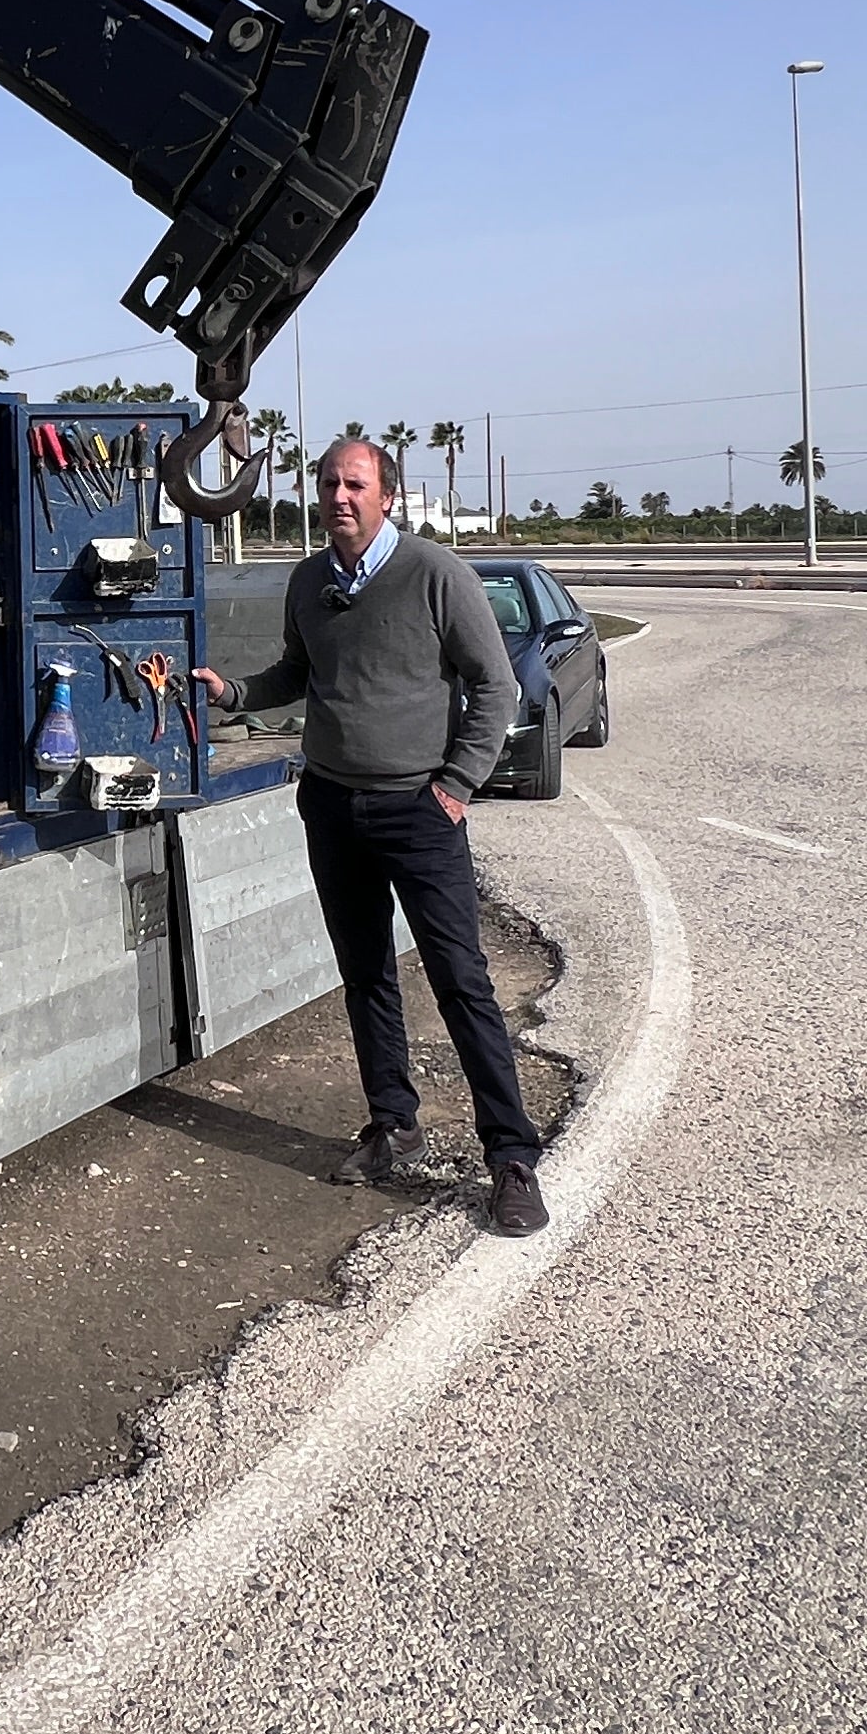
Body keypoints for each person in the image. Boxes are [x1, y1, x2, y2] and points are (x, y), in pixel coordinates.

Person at [196, 436, 549, 1234]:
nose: (339, 497)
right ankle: (394, 1124)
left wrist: (456, 786)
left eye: (355, 484)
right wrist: (234, 691)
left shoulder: (435, 574)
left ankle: (511, 1158)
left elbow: (496, 684)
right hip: (332, 805)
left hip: (418, 814)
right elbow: (299, 672)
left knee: (462, 980)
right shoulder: (309, 579)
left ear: (387, 494)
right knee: (365, 977)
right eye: (328, 484)